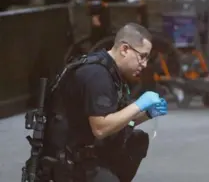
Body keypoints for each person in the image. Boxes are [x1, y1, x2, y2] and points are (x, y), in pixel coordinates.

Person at [43, 23, 167, 182]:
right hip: (70, 161)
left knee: (137, 140)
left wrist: (147, 114)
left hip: (88, 150)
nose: (144, 64)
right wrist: (138, 105)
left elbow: (117, 121)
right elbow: (101, 128)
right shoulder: (97, 75)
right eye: (142, 56)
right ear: (124, 49)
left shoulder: (111, 71)